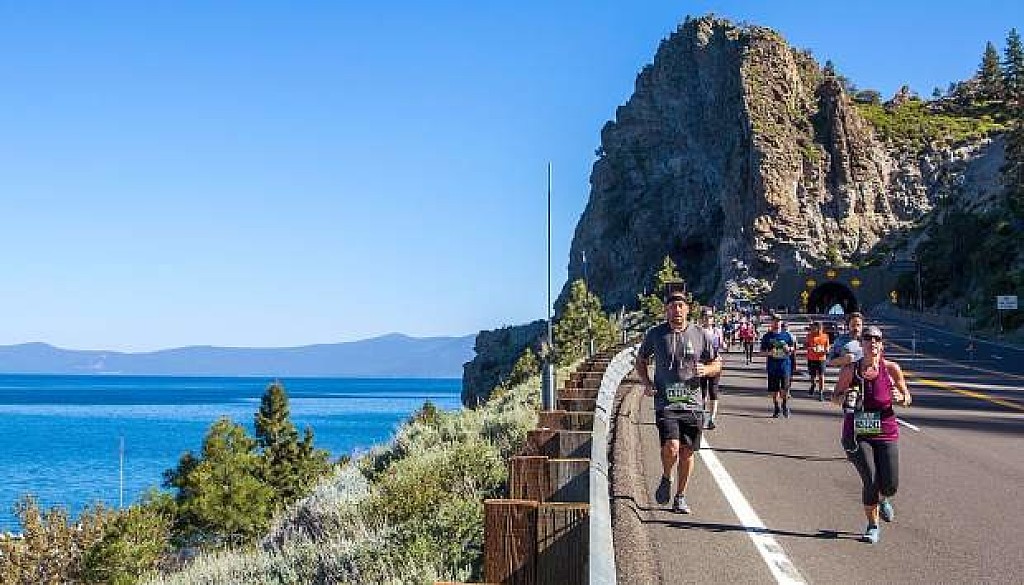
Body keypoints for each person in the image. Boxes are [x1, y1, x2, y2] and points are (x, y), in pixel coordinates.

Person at [635, 291, 722, 514]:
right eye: (673, 306)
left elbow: (717, 363)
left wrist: (707, 369)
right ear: (667, 310)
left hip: (692, 404)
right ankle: (666, 476)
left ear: (687, 309)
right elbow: (641, 360)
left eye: (681, 306)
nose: (677, 310)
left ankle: (680, 497)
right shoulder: (656, 334)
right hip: (666, 403)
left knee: (687, 452)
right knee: (671, 447)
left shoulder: (700, 334)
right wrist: (647, 382)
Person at [831, 325, 911, 544]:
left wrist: (901, 398)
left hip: (886, 430)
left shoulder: (891, 369)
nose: (872, 342)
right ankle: (872, 525)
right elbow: (835, 397)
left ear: (881, 345)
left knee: (890, 485)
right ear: (862, 344)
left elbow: (907, 397)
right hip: (859, 431)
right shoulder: (851, 370)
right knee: (871, 480)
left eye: (877, 339)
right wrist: (845, 397)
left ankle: (884, 498)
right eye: (868, 338)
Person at [758, 314, 795, 417]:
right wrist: (769, 353)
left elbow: (793, 348)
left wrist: (789, 349)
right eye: (775, 321)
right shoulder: (767, 336)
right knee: (774, 390)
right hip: (772, 367)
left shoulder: (787, 335)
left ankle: (784, 405)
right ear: (771, 322)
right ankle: (776, 407)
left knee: (785, 389)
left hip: (785, 366)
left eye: (778, 321)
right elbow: (761, 352)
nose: (777, 323)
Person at [699, 308, 724, 430]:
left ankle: (712, 419)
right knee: (702, 393)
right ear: (701, 318)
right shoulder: (698, 331)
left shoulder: (717, 331)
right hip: (702, 364)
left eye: (709, 317)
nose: (707, 319)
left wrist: (721, 350)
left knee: (713, 391)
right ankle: (702, 417)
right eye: (705, 316)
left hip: (714, 364)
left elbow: (721, 345)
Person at [805, 321, 831, 400]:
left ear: (820, 328)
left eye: (814, 328)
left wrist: (826, 350)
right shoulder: (809, 335)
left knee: (821, 376)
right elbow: (805, 345)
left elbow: (827, 347)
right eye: (812, 328)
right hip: (811, 358)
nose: (813, 329)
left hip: (821, 358)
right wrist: (810, 348)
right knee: (812, 376)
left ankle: (821, 393)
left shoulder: (825, 336)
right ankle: (813, 384)